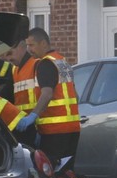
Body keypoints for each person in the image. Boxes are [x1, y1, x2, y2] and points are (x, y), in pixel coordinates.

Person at [13, 27, 81, 166]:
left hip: (53, 131)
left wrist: (33, 116)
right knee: (66, 170)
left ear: (43, 43)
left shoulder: (44, 64)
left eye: (32, 45)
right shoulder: (62, 62)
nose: (29, 49)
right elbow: (75, 95)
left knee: (52, 171)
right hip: (72, 128)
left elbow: (47, 93)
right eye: (27, 46)